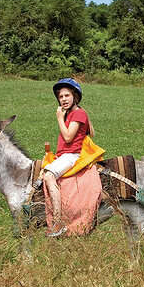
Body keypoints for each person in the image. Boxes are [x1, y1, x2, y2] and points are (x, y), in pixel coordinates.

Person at [41, 77, 93, 237]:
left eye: (67, 96)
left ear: (75, 97)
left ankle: (58, 222)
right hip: (64, 155)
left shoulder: (79, 114)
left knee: (49, 175)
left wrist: (58, 118)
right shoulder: (70, 114)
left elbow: (69, 137)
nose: (63, 99)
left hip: (72, 156)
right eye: (61, 97)